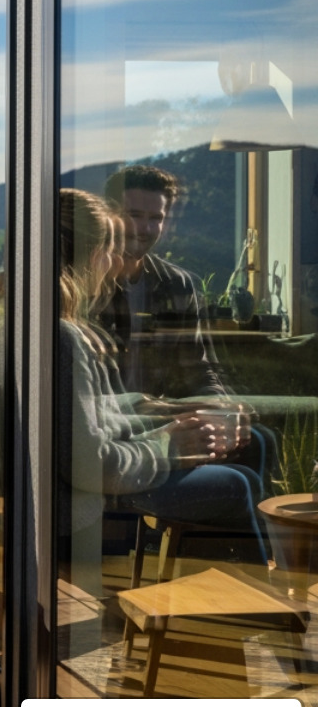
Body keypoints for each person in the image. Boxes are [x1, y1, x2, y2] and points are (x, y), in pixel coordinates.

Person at [54, 189, 266, 583]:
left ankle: (216, 597)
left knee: (255, 440)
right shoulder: (65, 335)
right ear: (88, 255)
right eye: (107, 249)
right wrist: (167, 441)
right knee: (239, 484)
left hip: (114, 449)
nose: (113, 261)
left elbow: (85, 409)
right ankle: (240, 607)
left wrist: (175, 409)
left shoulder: (30, 322)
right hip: (86, 497)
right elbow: (92, 464)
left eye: (156, 218)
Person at [100, 165, 226, 400]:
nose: (144, 229)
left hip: (160, 420)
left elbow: (198, 369)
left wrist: (220, 410)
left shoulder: (176, 285)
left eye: (155, 218)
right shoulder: (85, 284)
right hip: (105, 425)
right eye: (134, 215)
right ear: (109, 217)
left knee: (259, 436)